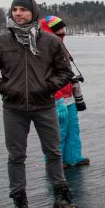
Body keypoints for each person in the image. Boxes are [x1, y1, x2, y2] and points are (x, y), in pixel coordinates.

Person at [0, 0, 79, 208]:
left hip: (44, 105)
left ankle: (62, 197)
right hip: (13, 108)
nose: (18, 14)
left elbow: (65, 72)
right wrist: (5, 88)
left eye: (23, 10)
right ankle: (19, 203)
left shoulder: (50, 42)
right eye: (15, 10)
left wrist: (47, 88)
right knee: (16, 156)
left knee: (53, 152)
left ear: (33, 12)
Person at [39, 15, 89, 168]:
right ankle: (54, 162)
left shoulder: (61, 46)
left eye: (62, 27)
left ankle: (73, 157)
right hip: (56, 98)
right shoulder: (44, 49)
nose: (62, 30)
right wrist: (58, 97)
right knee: (57, 132)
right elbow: (47, 76)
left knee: (73, 129)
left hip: (69, 96)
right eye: (58, 27)